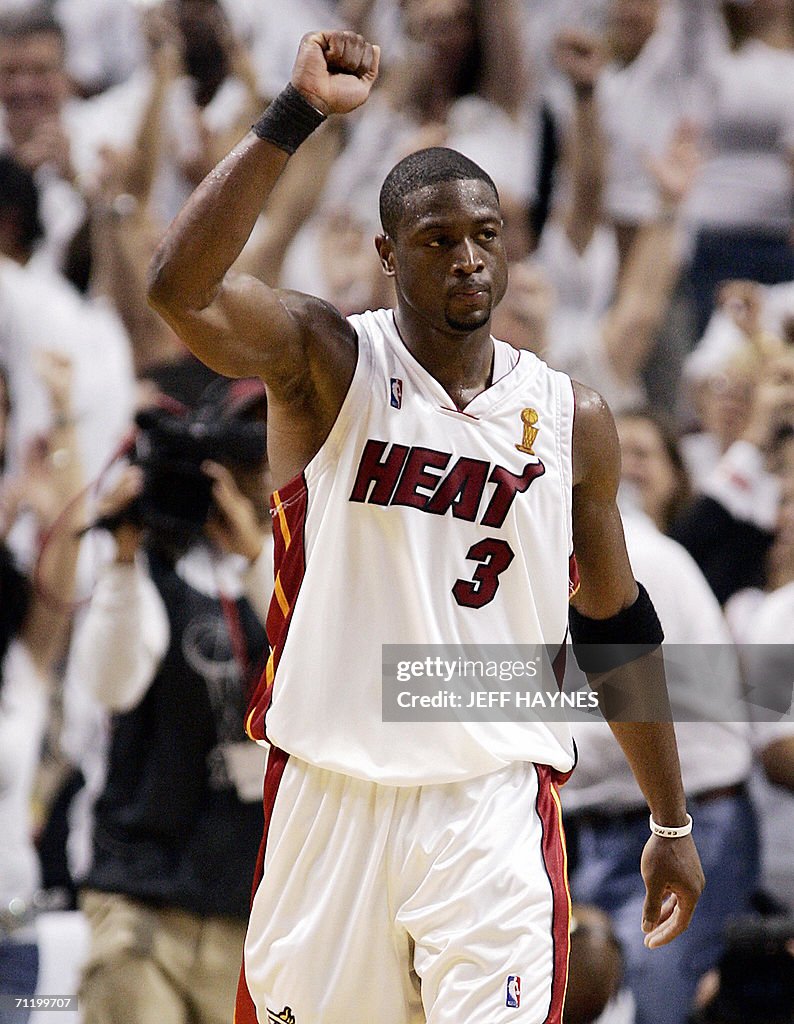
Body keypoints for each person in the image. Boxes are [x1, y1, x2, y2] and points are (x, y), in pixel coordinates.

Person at [147, 29, 704, 1024]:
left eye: (484, 235)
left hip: (485, 805)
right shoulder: (324, 360)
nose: (466, 259)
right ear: (386, 252)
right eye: (438, 239)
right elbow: (176, 290)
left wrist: (670, 813)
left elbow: (615, 621)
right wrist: (294, 116)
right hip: (330, 796)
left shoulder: (572, 416)